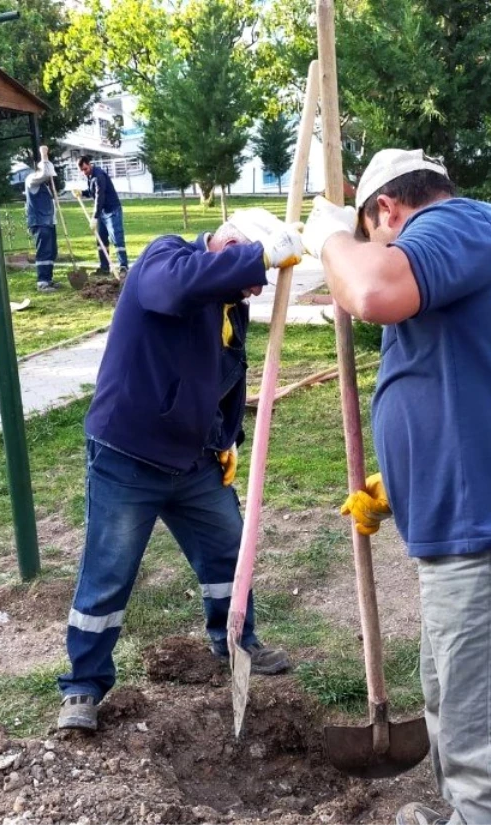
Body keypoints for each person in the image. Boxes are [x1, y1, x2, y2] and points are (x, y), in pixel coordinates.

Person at [301, 149, 491, 825]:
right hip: (480, 526)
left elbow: (372, 292)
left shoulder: (456, 223)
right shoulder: (458, 251)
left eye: (373, 234)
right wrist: (404, 480)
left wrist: (329, 238)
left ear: (389, 210)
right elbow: (461, 380)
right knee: (459, 711)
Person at [56, 210, 304, 732]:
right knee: (109, 572)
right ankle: (83, 685)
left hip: (195, 461)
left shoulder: (230, 303)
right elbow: (174, 289)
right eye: (255, 278)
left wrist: (225, 437)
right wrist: (255, 259)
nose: (256, 291)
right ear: (229, 247)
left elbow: (223, 376)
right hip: (129, 453)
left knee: (228, 558)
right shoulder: (166, 258)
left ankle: (236, 641)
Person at [78, 155, 129, 277]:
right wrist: (82, 192)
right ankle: (104, 268)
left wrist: (95, 216)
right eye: (82, 170)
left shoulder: (99, 175)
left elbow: (100, 197)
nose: (84, 172)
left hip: (112, 211)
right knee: (101, 240)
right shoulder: (90, 176)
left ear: (89, 164)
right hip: (102, 212)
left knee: (117, 238)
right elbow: (93, 191)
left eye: (85, 169)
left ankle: (123, 267)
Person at [25, 145, 62, 292]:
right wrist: (44, 154)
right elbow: (45, 172)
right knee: (44, 251)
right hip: (40, 222)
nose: (50, 176)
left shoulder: (44, 184)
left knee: (52, 251)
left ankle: (48, 278)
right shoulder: (32, 180)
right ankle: (42, 282)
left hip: (48, 222)